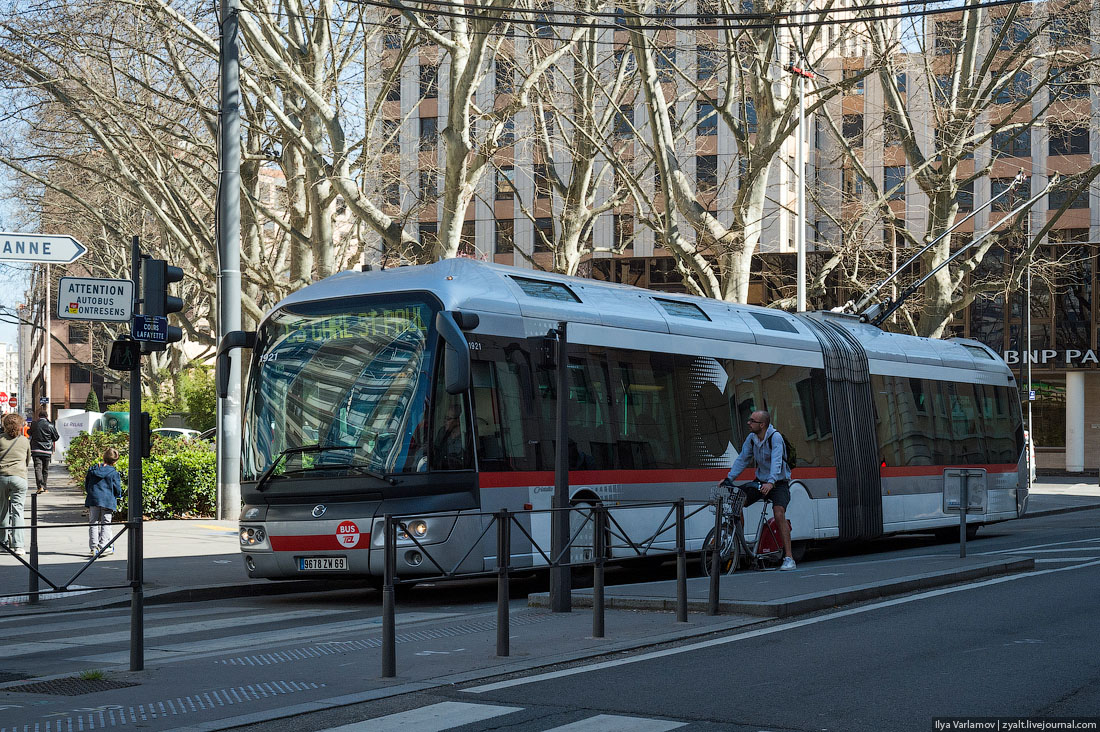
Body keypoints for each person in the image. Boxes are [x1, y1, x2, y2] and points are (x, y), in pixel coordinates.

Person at [724, 409, 796, 570]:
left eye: (752, 421)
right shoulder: (752, 439)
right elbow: (742, 459)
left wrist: (771, 483)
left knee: (779, 513)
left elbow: (777, 462)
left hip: (779, 482)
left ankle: (789, 557)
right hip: (761, 481)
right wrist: (730, 478)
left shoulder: (775, 438)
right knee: (737, 501)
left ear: (762, 424)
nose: (748, 423)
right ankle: (740, 546)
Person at [0, 413, 32, 557]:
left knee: (2, 510)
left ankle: (2, 542)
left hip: (1, 477)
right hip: (19, 477)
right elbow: (27, 460)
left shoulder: (0, 440)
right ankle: (18, 546)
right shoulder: (24, 441)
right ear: (20, 426)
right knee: (18, 510)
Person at [85, 448, 123, 557]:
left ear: (103, 457)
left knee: (93, 523)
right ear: (115, 461)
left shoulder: (92, 470)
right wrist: (117, 494)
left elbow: (87, 485)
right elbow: (117, 488)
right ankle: (103, 546)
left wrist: (91, 493)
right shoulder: (113, 473)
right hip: (107, 500)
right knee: (106, 523)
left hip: (93, 499)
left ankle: (93, 547)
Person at [29, 410, 60, 495]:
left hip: (36, 450)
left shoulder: (34, 424)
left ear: (39, 416)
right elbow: (56, 437)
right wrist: (49, 439)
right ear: (46, 416)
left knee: (37, 468)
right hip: (47, 450)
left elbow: (29, 433)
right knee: (45, 469)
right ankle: (45, 487)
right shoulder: (50, 425)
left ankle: (40, 487)